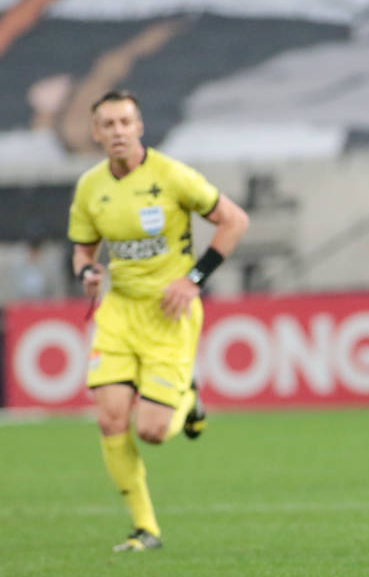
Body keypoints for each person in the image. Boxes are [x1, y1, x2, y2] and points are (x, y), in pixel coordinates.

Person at [68, 90, 249, 551]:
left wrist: (193, 279)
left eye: (125, 122)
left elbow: (234, 221)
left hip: (170, 314)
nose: (118, 131)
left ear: (139, 126)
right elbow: (83, 250)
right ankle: (145, 528)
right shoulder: (90, 186)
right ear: (96, 133)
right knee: (110, 418)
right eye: (108, 124)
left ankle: (189, 400)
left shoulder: (171, 175)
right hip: (118, 313)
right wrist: (87, 272)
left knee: (151, 432)